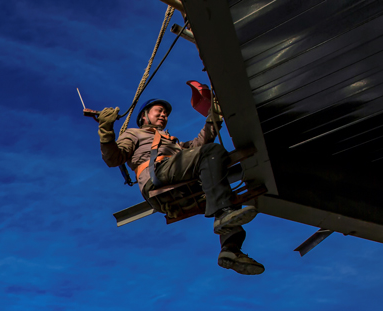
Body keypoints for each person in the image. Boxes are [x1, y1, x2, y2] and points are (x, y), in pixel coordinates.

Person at [97, 98, 265, 275]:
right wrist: (106, 131)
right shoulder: (134, 134)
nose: (163, 115)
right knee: (212, 154)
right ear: (144, 116)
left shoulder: (174, 143)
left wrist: (213, 116)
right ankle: (223, 213)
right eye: (159, 111)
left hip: (177, 182)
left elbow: (199, 146)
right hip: (157, 176)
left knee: (225, 191)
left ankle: (230, 249)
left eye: (166, 114)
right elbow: (113, 158)